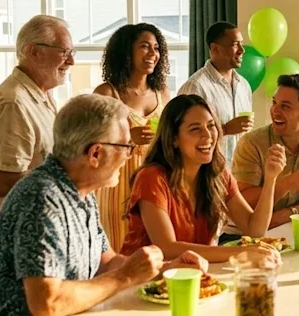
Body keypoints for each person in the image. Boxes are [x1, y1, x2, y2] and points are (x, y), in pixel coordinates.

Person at [0, 95, 207, 316]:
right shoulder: (43, 198)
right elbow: (47, 303)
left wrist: (165, 270)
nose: (129, 156)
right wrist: (125, 276)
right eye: (126, 147)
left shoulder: (81, 192)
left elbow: (106, 262)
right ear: (95, 154)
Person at [120, 94, 284, 264]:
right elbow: (166, 248)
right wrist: (241, 252)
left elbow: (254, 230)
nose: (208, 136)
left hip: (192, 276)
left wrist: (271, 178)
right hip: (140, 281)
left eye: (211, 125)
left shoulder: (218, 175)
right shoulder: (151, 177)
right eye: (195, 129)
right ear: (174, 139)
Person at [0, 15, 71, 256]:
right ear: (33, 51)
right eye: (64, 51)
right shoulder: (14, 103)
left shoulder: (41, 96)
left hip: (40, 228)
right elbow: (2, 181)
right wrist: (68, 175)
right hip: (17, 236)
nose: (71, 61)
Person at [92, 23, 171, 250]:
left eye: (156, 48)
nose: (152, 54)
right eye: (144, 47)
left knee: (153, 253)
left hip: (155, 183)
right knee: (120, 254)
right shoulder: (107, 93)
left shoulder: (162, 94)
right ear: (127, 51)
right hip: (117, 186)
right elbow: (91, 146)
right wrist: (128, 140)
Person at [233, 74, 299, 227]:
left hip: (296, 228)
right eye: (274, 103)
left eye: (285, 106)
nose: (274, 111)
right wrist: (287, 184)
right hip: (245, 235)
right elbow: (243, 202)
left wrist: (291, 213)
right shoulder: (252, 143)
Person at [177, 22, 254, 164]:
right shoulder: (196, 87)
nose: (242, 50)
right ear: (215, 49)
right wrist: (225, 129)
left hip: (241, 175)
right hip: (209, 174)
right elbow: (181, 136)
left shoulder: (244, 85)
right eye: (235, 44)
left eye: (241, 44)